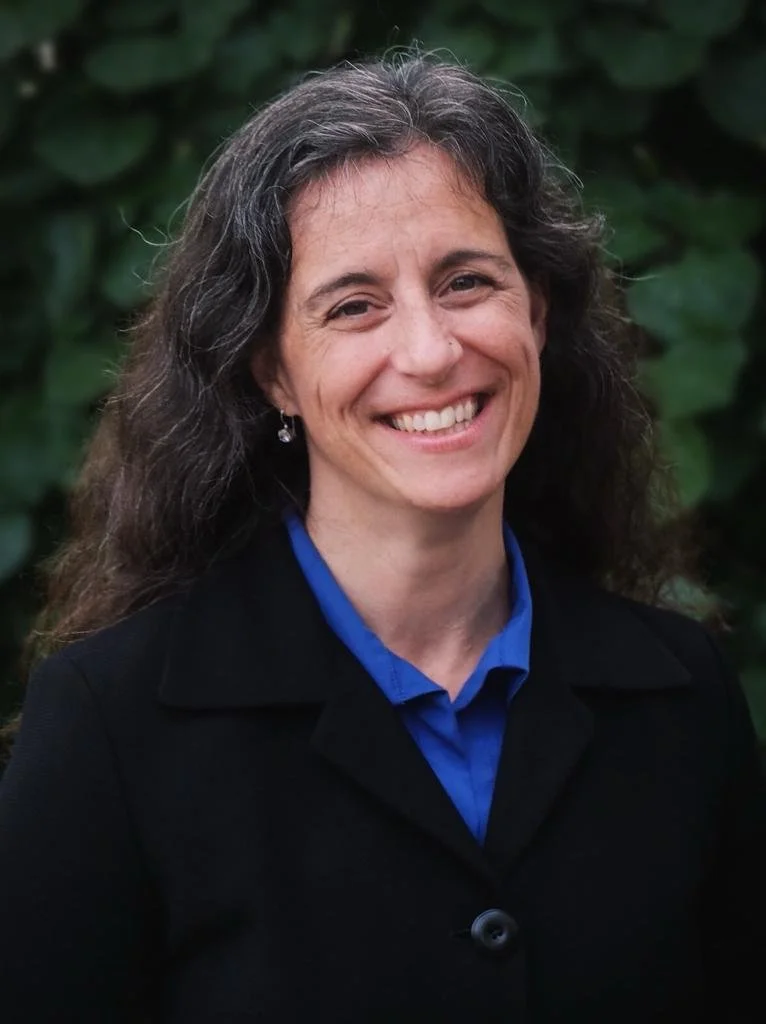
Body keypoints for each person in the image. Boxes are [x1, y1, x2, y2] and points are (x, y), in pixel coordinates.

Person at [0, 53, 764, 1024]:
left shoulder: (681, 694)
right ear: (270, 371)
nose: (432, 351)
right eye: (354, 305)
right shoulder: (110, 725)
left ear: (533, 308)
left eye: (465, 281)